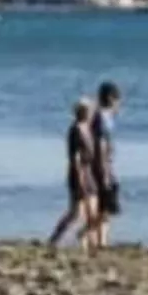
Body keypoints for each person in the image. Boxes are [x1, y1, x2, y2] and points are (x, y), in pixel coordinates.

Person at [47, 98, 98, 249]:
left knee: (93, 213)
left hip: (88, 172)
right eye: (88, 110)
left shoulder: (87, 128)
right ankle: (55, 239)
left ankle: (83, 237)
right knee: (76, 213)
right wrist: (80, 179)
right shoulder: (75, 130)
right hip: (79, 173)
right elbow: (75, 158)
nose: (90, 113)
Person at [90, 81, 122, 248]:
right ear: (110, 98)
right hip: (102, 165)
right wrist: (104, 171)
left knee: (106, 206)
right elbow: (100, 144)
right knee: (106, 204)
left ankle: (101, 240)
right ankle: (89, 234)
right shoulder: (102, 117)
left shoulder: (106, 116)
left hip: (107, 164)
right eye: (117, 99)